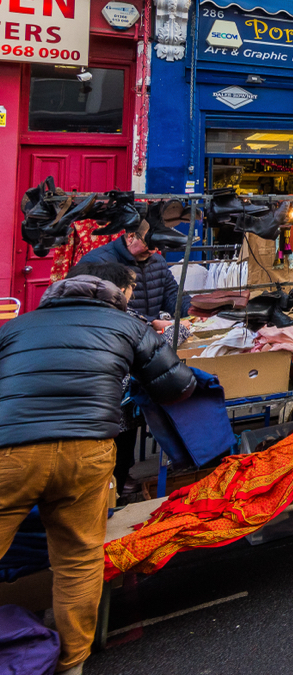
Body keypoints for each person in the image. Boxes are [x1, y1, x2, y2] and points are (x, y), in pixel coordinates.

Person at [0, 263, 194, 675]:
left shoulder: (17, 327)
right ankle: (71, 664)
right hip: (87, 451)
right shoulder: (128, 325)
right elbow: (178, 386)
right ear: (118, 291)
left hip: (11, 450)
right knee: (77, 559)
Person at [77, 221, 188, 497]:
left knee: (126, 418)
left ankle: (116, 477)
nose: (155, 250)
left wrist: (191, 310)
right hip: (108, 366)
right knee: (115, 421)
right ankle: (109, 482)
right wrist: (175, 328)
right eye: (150, 245)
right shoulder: (99, 264)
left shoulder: (156, 263)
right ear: (129, 236)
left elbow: (172, 298)